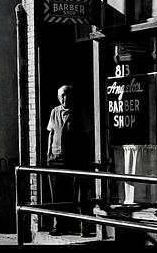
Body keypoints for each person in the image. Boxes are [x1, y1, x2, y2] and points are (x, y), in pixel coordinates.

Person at [47, 85, 93, 236]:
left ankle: (83, 226)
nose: (65, 98)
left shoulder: (80, 112)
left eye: (67, 95)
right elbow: (51, 133)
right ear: (58, 98)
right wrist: (49, 153)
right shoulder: (54, 111)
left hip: (75, 159)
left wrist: (87, 156)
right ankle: (59, 225)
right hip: (56, 159)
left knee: (80, 194)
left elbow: (88, 135)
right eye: (62, 96)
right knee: (57, 195)